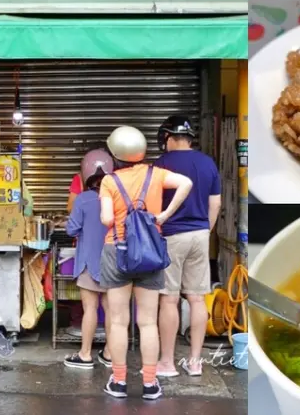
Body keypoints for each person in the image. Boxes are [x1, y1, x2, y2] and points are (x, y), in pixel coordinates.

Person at [98, 126, 193, 400]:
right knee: (148, 322)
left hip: (116, 250)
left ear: (115, 153)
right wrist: (162, 215)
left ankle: (118, 382)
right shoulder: (157, 174)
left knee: (117, 322)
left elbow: (106, 219)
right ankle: (150, 384)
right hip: (150, 252)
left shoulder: (109, 181)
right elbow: (186, 183)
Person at [154, 115, 222, 377]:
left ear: (169, 138)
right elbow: (215, 204)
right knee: (196, 298)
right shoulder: (207, 163)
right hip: (201, 234)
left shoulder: (161, 164)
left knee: (169, 300)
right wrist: (206, 230)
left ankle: (168, 363)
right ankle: (195, 362)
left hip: (171, 236)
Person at [64, 149, 115, 370]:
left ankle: (85, 354)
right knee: (112, 309)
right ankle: (110, 353)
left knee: (90, 308)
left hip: (88, 263)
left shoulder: (83, 199)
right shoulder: (116, 197)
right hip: (113, 262)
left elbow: (71, 229)